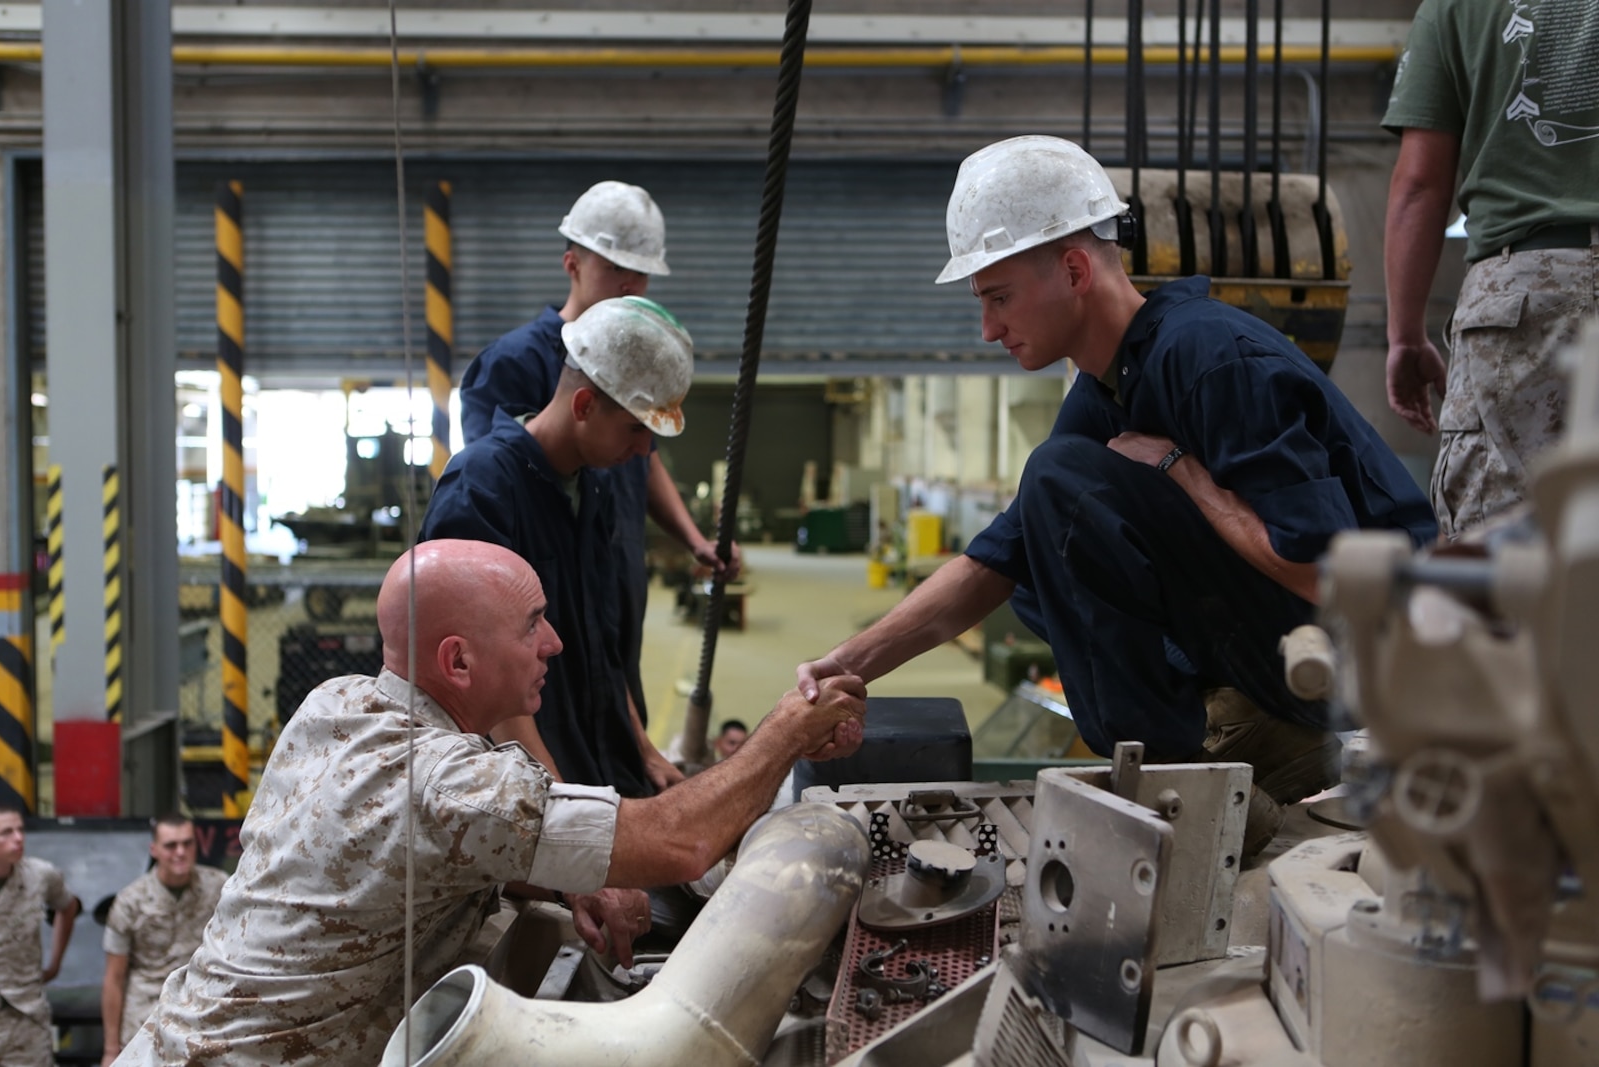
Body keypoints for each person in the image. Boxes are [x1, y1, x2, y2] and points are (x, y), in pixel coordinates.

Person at [797, 136, 1437, 850]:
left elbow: (1326, 571)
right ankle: (1228, 740)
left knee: (1056, 486)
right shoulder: (1110, 385)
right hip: (1283, 649)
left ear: (1073, 268)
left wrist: (1184, 475)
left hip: (1365, 657)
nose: (987, 330)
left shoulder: (1208, 359)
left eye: (998, 298)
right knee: (1038, 558)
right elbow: (992, 565)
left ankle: (1187, 784)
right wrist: (847, 665)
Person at [114, 539, 865, 1065]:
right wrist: (785, 733)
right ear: (458, 659)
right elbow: (680, 844)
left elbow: (391, 857)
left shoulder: (336, 703)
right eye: (532, 623)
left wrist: (567, 875)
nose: (555, 643)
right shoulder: (450, 787)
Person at [458, 180, 740, 768]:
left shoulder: (619, 434)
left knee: (608, 704)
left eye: (641, 275)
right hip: (544, 602)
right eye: (616, 268)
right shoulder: (514, 369)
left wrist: (693, 539)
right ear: (574, 264)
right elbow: (501, 507)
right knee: (551, 721)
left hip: (606, 588)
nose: (631, 286)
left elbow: (650, 460)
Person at [423, 296, 694, 798]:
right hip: (512, 789)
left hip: (588, 763)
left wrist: (640, 747)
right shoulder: (481, 488)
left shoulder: (593, 487)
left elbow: (602, 645)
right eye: (636, 429)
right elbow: (485, 689)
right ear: (584, 405)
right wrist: (564, 824)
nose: (642, 452)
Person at [1382, 0, 1599, 539]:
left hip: (1523, 295)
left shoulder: (1455, 6)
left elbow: (1420, 184)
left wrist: (1405, 335)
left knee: (1495, 552)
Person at [99, 813, 227, 1065]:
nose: (180, 852)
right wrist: (111, 1049)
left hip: (201, 1018)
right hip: (145, 1020)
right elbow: (114, 977)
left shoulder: (220, 888)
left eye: (187, 843)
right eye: (171, 845)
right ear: (154, 849)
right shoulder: (130, 901)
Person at [0, 806, 81, 1067]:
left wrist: (54, 964)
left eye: (21, 830)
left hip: (24, 1016)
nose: (19, 838)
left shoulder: (39, 876)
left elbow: (67, 906)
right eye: (6, 832)